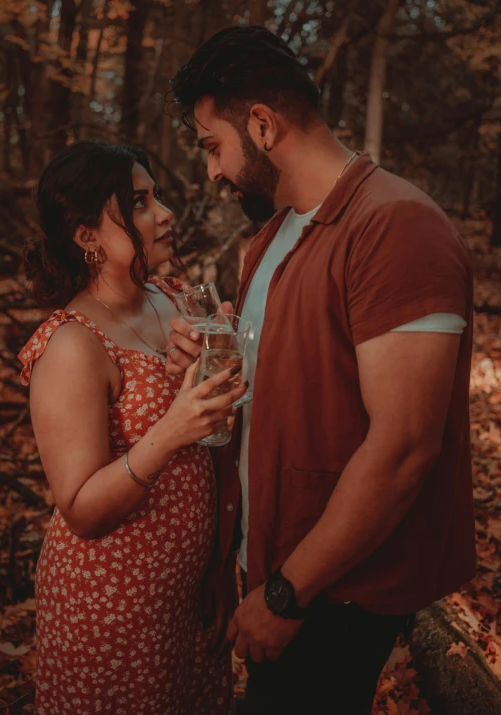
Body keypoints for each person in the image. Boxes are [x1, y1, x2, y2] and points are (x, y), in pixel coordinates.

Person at [165, 26, 476, 714]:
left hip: (332, 588)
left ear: (263, 125)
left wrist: (286, 593)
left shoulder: (395, 227)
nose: (212, 172)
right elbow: (290, 388)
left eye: (212, 146)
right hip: (271, 559)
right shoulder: (272, 237)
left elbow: (403, 447)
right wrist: (215, 352)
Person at [18, 141, 246, 715]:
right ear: (86, 234)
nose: (164, 213)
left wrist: (218, 568)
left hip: (189, 596)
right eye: (139, 202)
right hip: (111, 611)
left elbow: (218, 431)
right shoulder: (71, 344)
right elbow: (82, 509)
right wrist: (170, 431)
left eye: (157, 197)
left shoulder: (174, 299)